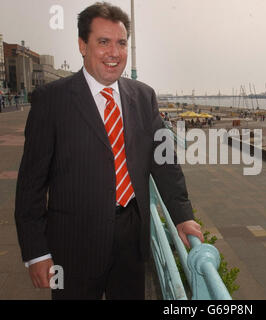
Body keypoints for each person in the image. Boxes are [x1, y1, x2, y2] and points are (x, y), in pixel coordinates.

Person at [15, 2, 203, 300]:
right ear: (82, 45)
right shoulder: (52, 101)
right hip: (72, 245)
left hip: (131, 238)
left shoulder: (143, 97)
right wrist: (36, 253)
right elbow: (31, 184)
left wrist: (182, 216)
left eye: (121, 43)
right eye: (103, 42)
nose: (114, 53)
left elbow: (165, 162)